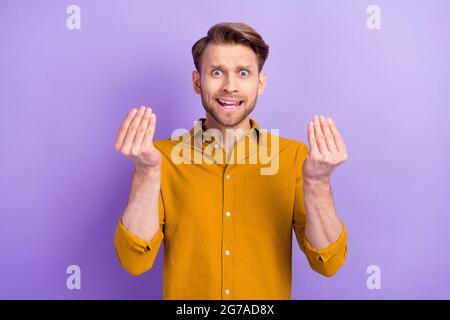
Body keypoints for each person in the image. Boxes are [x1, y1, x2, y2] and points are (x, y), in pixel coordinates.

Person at [113, 22, 348, 300]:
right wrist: (145, 173)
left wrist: (318, 183)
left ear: (260, 84)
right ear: (197, 81)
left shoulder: (295, 158)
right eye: (216, 72)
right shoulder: (160, 159)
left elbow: (329, 263)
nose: (230, 87)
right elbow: (133, 261)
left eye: (244, 73)